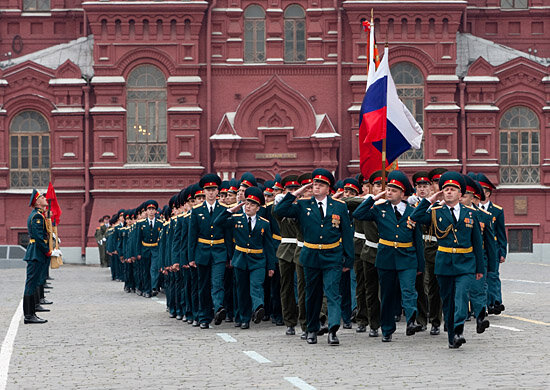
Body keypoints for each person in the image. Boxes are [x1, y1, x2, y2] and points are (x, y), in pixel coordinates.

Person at [275, 168, 354, 345]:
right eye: (315, 184)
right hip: (310, 255)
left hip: (332, 255)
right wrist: (298, 192)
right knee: (312, 294)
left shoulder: (339, 206)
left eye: (321, 184)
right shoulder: (303, 205)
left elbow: (347, 234)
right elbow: (280, 210)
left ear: (329, 188)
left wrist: (348, 259)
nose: (317, 187)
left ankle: (333, 330)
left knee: (333, 293)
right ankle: (311, 329)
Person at [410, 171, 484, 349]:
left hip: (465, 262)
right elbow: (415, 217)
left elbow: (477, 243)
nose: (449, 192)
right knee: (448, 301)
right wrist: (430, 200)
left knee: (460, 297)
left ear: (460, 194)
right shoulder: (436, 212)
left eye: (453, 189)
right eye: (446, 189)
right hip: (444, 263)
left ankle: (459, 329)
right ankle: (453, 336)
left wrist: (480, 268)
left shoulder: (470, 213)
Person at [353, 171, 425, 342]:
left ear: (402, 193)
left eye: (394, 189)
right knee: (386, 295)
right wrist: (373, 198)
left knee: (408, 290)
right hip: (386, 258)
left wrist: (420, 265)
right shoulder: (379, 209)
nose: (390, 192)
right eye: (389, 189)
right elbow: (358, 214)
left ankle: (411, 320)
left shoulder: (411, 211)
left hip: (407, 257)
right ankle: (387, 329)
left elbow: (418, 240)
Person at [214, 186, 276, 329]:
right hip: (241, 259)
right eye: (247, 203)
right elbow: (218, 223)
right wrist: (231, 210)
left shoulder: (264, 223)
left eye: (252, 204)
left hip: (258, 260)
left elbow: (269, 246)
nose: (248, 207)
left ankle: (258, 307)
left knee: (256, 285)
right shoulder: (236, 219)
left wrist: (271, 266)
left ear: (258, 208)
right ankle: (244, 318)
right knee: (241, 290)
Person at [188, 173, 230, 329]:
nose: (211, 192)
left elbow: (228, 234)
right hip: (202, 251)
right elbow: (192, 236)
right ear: (204, 192)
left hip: (219, 250)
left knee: (217, 282)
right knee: (203, 285)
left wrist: (229, 255)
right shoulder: (197, 210)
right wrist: (191, 257)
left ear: (218, 191)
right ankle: (204, 316)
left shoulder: (224, 209)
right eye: (208, 190)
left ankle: (218, 308)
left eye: (214, 189)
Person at [477, 173, 507, 315]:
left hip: (493, 249)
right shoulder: (473, 210)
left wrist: (502, 251)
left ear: (488, 193)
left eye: (482, 190)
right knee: (482, 276)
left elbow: (501, 233)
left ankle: (496, 302)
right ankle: (485, 303)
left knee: (493, 275)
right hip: (479, 248)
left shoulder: (497, 210)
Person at [22, 189, 51, 324]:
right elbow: (39, 238)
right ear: (37, 202)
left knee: (32, 283)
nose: (45, 198)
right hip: (36, 252)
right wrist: (47, 251)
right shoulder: (37, 217)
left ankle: (31, 312)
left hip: (36, 252)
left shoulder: (38, 215)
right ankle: (29, 315)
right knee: (31, 283)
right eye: (42, 197)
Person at [136, 200, 162, 298]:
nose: (151, 211)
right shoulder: (141, 224)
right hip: (145, 248)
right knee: (145, 270)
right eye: (149, 209)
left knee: (154, 268)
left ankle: (153, 287)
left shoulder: (160, 223)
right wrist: (138, 252)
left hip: (155, 248)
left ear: (155, 211)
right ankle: (147, 289)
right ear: (146, 211)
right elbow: (138, 239)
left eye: (153, 209)